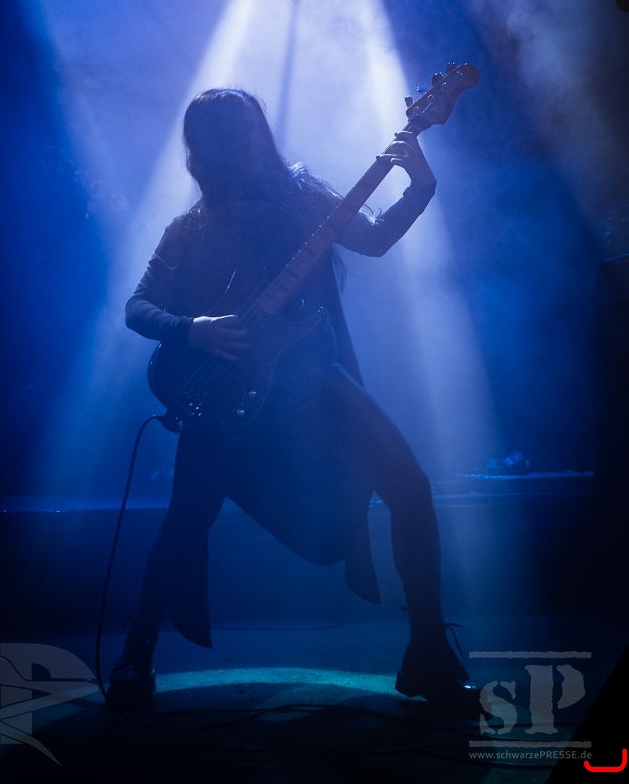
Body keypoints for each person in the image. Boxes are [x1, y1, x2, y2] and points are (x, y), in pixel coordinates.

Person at [107, 87, 480, 710]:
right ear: (204, 149)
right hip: (224, 392)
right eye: (228, 133)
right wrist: (192, 329)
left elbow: (375, 238)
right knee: (186, 517)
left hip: (310, 376)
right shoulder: (190, 228)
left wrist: (420, 181)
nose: (246, 141)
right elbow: (137, 308)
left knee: (410, 487)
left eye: (251, 127)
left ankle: (428, 655)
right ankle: (134, 657)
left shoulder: (305, 196)